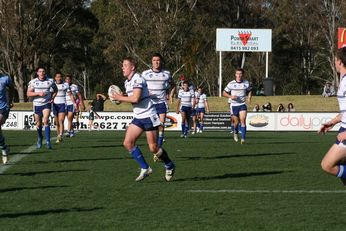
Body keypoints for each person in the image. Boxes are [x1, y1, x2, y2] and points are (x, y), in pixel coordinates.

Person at [110, 57, 175, 182]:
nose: (122, 68)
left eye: (125, 65)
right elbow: (131, 98)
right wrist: (120, 98)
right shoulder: (127, 82)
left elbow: (135, 99)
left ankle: (169, 165)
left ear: (132, 67)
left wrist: (120, 97)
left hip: (149, 116)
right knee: (127, 143)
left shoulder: (138, 78)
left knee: (153, 148)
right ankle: (145, 168)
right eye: (122, 65)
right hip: (139, 117)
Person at [319, 47, 346, 184]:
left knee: (327, 165)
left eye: (335, 60)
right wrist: (333, 122)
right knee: (343, 175)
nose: (334, 62)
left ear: (340, 61)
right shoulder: (343, 80)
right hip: (343, 128)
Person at [142, 53, 174, 147]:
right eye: (154, 60)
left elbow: (173, 85)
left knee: (161, 124)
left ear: (161, 61)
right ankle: (154, 144)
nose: (156, 62)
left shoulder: (166, 74)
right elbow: (140, 86)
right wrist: (146, 93)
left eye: (158, 60)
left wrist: (170, 95)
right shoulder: (145, 74)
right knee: (153, 126)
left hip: (161, 102)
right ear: (151, 62)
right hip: (150, 103)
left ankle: (159, 147)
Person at [27, 67, 57, 149]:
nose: (42, 73)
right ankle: (40, 137)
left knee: (46, 120)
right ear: (37, 73)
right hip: (36, 104)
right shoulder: (33, 82)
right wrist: (38, 93)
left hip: (46, 103)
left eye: (43, 71)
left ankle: (48, 142)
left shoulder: (50, 81)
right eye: (40, 71)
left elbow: (55, 90)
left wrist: (52, 98)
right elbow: (28, 93)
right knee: (38, 124)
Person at [223, 67, 252, 144]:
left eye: (240, 74)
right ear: (235, 74)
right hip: (234, 105)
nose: (239, 75)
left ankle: (243, 139)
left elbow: (249, 90)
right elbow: (224, 93)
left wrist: (249, 97)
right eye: (237, 74)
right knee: (236, 122)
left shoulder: (246, 83)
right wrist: (230, 97)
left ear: (243, 74)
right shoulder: (231, 83)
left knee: (243, 120)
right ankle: (235, 132)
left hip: (242, 104)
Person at [53, 72, 75, 143]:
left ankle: (60, 135)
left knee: (61, 120)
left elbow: (71, 94)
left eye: (60, 77)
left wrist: (74, 103)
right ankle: (58, 135)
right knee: (57, 123)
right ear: (55, 78)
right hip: (54, 104)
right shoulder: (52, 84)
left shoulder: (65, 85)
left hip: (62, 104)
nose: (59, 78)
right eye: (57, 77)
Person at [0, 72, 13, 164]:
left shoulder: (5, 79)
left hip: (2, 107)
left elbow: (11, 88)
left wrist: (10, 101)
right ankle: (4, 148)